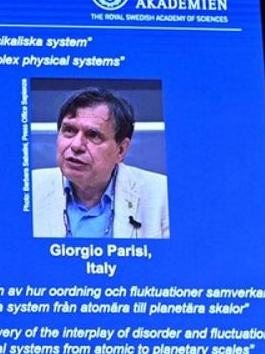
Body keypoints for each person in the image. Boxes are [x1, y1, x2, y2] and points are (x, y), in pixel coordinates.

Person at [31, 86, 169, 239]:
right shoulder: (29, 190)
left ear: (121, 150)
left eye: (93, 135)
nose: (76, 145)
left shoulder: (162, 196)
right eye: (69, 130)